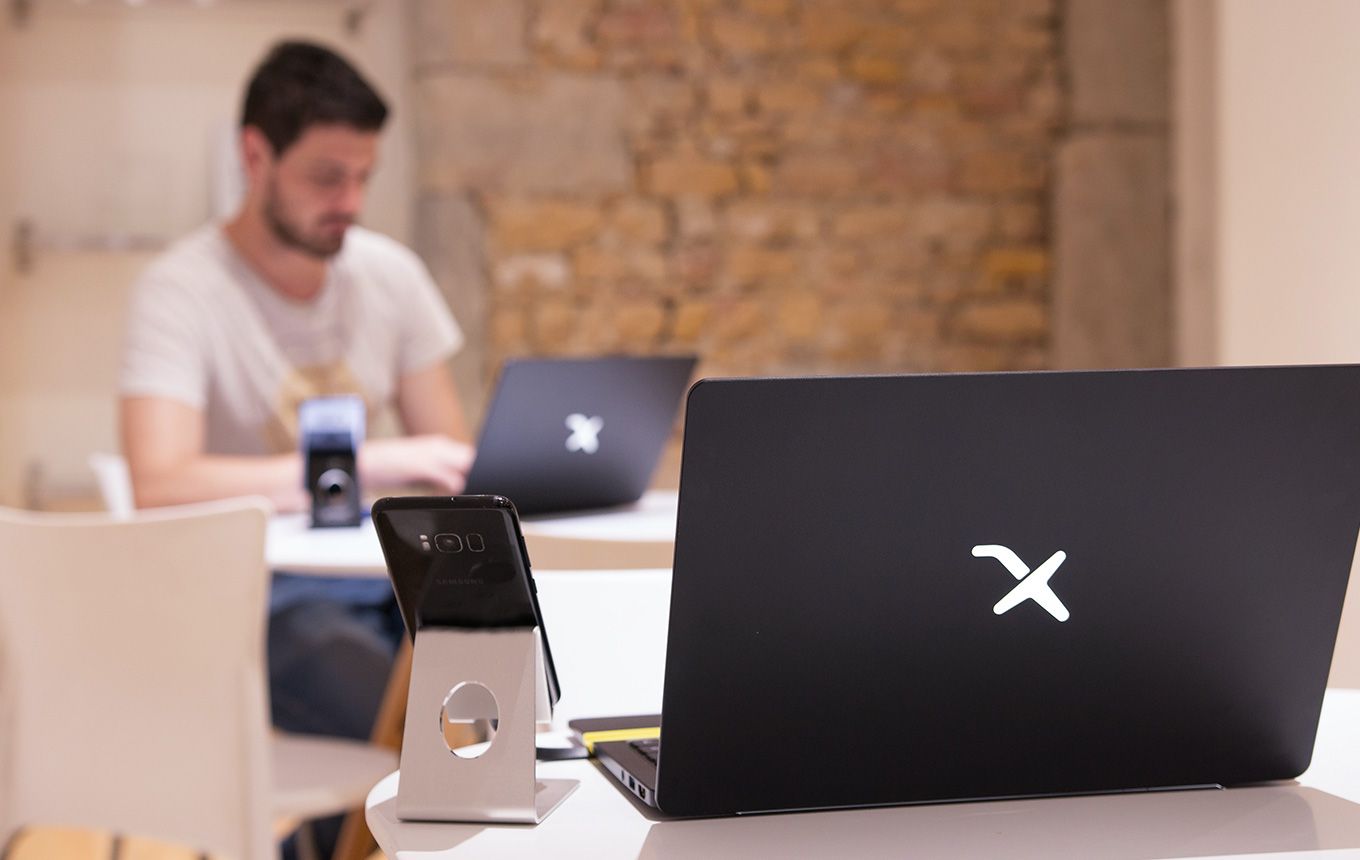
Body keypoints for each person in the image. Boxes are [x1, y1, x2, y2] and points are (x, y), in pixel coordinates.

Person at [119, 40, 473, 741]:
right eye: (327, 178)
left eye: (364, 177)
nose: (352, 203)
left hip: (387, 575)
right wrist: (361, 467)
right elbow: (157, 483)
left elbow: (451, 460)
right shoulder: (180, 292)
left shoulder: (391, 276)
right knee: (429, 726)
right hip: (253, 594)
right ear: (255, 156)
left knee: (520, 681)